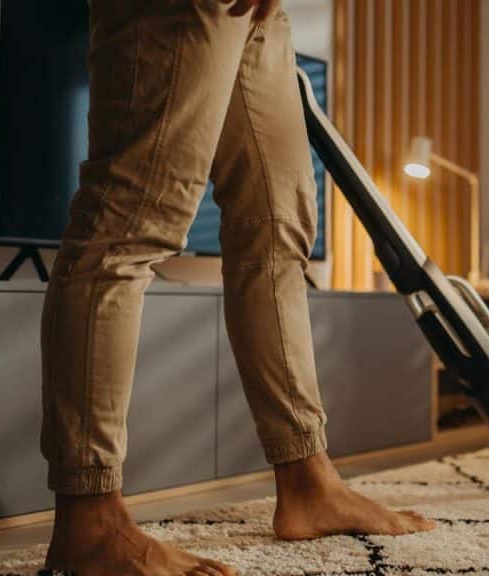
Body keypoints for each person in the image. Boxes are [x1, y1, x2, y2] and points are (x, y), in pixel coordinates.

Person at [39, 0, 435, 573]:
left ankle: (307, 478)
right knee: (128, 224)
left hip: (262, 14)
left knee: (278, 227)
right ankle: (89, 518)